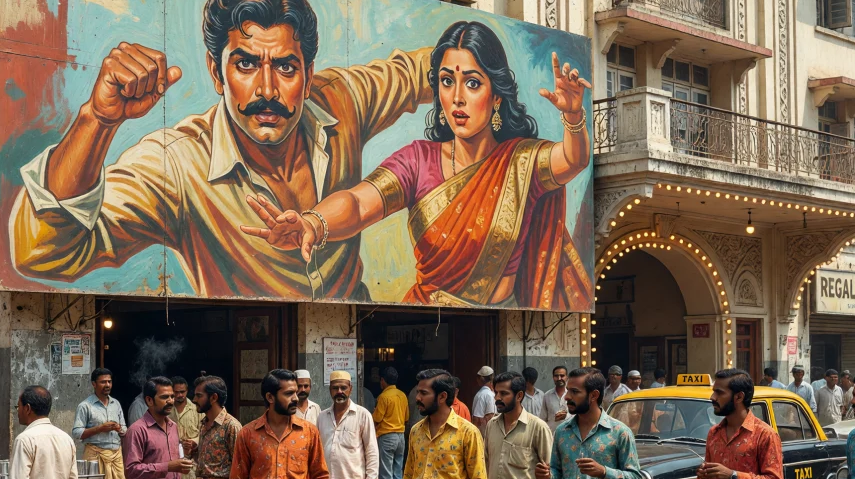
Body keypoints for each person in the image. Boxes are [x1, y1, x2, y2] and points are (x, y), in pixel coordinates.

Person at [14, 0, 437, 300]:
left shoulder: (343, 99)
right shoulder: (178, 165)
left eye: (287, 68)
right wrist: (97, 121)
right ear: (217, 72)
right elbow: (43, 253)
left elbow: (427, 69)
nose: (267, 90)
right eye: (246, 65)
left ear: (308, 76)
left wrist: (492, 99)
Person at [241, 21, 592, 310]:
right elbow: (360, 204)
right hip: (425, 320)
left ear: (496, 93)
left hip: (501, 322)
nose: (457, 97)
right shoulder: (418, 160)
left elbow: (573, 160)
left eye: (472, 83)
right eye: (446, 81)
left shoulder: (522, 161)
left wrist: (574, 116)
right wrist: (313, 223)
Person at [373, 367, 409, 479]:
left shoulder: (383, 397)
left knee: (386, 475)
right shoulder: (402, 395)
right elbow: (406, 417)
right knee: (397, 474)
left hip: (387, 436)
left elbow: (377, 418)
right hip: (401, 436)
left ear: (383, 380)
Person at [171, 376, 202, 479]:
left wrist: (194, 442)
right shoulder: (167, 410)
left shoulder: (196, 409)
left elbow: (204, 431)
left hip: (194, 459)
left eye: (182, 392)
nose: (179, 395)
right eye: (176, 392)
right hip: (174, 460)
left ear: (187, 391)